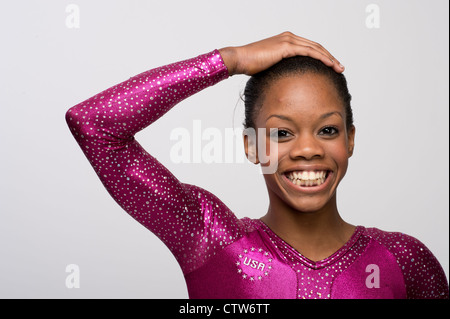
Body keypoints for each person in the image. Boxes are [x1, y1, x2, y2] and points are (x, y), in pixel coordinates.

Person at [66, 32, 449, 299]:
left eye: (327, 129)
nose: (307, 149)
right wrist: (228, 60)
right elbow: (94, 125)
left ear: (350, 139)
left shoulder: (403, 259)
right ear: (251, 145)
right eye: (282, 134)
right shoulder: (209, 239)